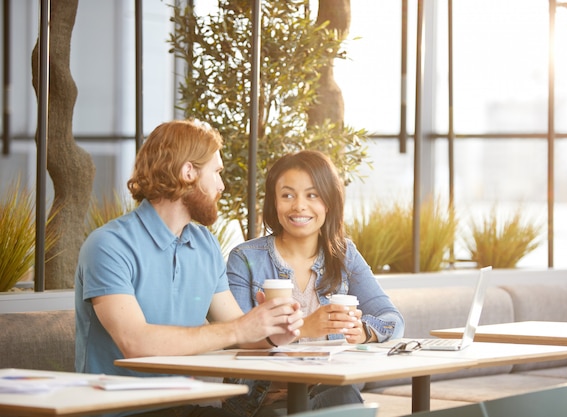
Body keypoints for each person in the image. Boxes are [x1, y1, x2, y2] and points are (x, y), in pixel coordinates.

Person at [74, 119, 304, 417]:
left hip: (179, 406)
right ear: (188, 172)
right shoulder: (109, 245)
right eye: (217, 172)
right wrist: (240, 328)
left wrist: (273, 331)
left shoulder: (204, 244)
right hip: (117, 411)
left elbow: (239, 331)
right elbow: (135, 342)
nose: (221, 185)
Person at [224, 150, 405, 417]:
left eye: (312, 195)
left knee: (344, 396)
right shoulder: (245, 258)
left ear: (328, 202)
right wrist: (304, 328)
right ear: (274, 202)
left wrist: (362, 330)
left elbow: (393, 320)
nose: (299, 206)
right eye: (287, 195)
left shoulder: (344, 255)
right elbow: (235, 339)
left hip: (326, 391)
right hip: (263, 400)